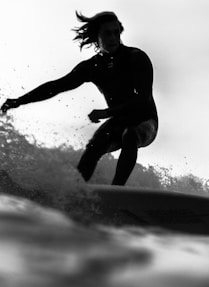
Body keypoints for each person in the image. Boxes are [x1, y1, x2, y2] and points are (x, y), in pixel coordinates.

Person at [1, 11, 158, 186]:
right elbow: (56, 86)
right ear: (96, 36)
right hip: (118, 121)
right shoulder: (92, 67)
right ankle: (76, 195)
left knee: (130, 136)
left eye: (116, 32)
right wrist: (19, 101)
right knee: (93, 149)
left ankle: (117, 192)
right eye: (107, 33)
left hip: (144, 120)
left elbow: (143, 100)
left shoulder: (136, 57)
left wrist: (107, 112)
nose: (113, 37)